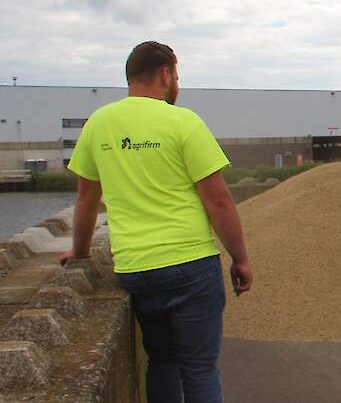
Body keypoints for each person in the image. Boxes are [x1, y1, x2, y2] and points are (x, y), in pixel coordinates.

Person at [61, 41, 253, 403]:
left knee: (162, 362)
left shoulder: (99, 123)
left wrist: (80, 251)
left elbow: (86, 199)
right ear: (165, 74)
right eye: (176, 75)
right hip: (191, 265)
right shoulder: (183, 122)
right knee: (199, 369)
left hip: (137, 269)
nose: (177, 82)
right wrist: (240, 259)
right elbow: (218, 201)